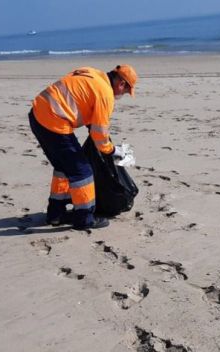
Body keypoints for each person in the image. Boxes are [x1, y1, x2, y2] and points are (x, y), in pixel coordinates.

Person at [28, 64, 138, 230]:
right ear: (121, 84)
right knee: (82, 171)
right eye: (125, 91)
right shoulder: (106, 94)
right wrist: (113, 151)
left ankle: (55, 214)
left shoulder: (92, 73)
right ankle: (85, 218)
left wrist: (93, 131)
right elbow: (100, 136)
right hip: (54, 123)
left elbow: (81, 99)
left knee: (63, 167)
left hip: (37, 115)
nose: (122, 94)